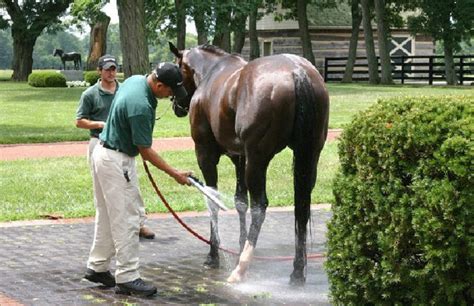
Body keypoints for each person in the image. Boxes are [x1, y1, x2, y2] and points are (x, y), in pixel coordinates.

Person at [84, 63, 191, 297]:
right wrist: (176, 174)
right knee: (128, 219)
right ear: (159, 84)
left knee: (107, 215)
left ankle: (98, 267)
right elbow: (145, 150)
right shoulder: (141, 106)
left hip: (104, 153)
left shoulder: (134, 80)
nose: (171, 96)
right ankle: (127, 277)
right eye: (170, 91)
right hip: (116, 161)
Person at [75, 54, 155, 240]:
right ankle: (107, 226)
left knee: (132, 185)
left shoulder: (124, 90)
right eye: (107, 69)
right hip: (100, 144)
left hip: (124, 144)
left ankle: (139, 223)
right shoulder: (90, 94)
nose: (111, 72)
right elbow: (79, 121)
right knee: (102, 190)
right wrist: (101, 125)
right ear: (99, 71)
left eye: (114, 69)